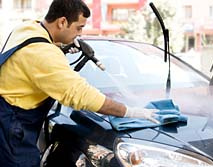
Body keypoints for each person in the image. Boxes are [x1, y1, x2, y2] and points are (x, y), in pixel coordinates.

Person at [0, 0, 158, 166]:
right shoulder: (43, 53)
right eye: (79, 27)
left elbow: (35, 59)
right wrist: (131, 112)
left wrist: (59, 47)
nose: (80, 34)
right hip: (12, 125)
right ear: (62, 22)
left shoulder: (27, 28)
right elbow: (81, 95)